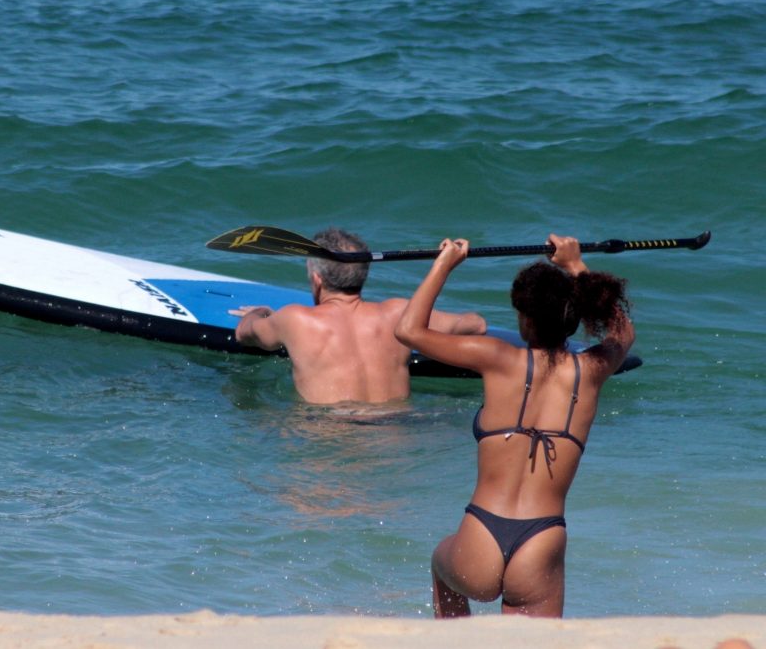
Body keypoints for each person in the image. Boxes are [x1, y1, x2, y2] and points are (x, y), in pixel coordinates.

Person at [394, 233, 635, 618]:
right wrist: (575, 265)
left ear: (524, 319)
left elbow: (409, 331)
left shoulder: (495, 357)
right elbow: (623, 333)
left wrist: (445, 264)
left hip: (480, 536)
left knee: (443, 565)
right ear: (572, 317)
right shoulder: (591, 370)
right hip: (542, 540)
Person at [230, 227, 486, 405]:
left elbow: (244, 333)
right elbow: (475, 325)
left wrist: (260, 312)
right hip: (396, 432)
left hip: (329, 436)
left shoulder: (295, 320)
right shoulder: (399, 313)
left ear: (317, 280)